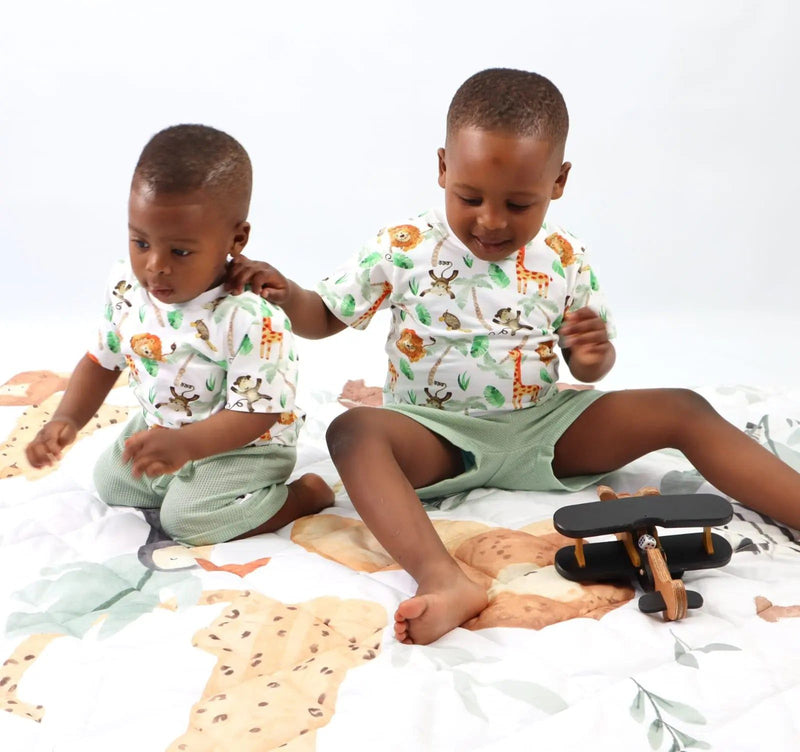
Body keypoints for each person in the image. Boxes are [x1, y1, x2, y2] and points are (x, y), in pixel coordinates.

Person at [227, 69, 800, 644]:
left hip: (543, 425)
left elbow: (589, 369)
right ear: (443, 168)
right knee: (353, 432)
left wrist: (592, 354)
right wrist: (286, 295)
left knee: (684, 406)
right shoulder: (403, 248)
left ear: (558, 181)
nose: (492, 221)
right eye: (469, 197)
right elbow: (324, 317)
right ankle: (443, 579)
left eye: (519, 203)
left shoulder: (564, 255)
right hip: (436, 436)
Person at [25, 124, 333, 545]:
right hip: (164, 424)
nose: (155, 265)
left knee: (188, 523)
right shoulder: (127, 287)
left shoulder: (248, 317)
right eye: (140, 242)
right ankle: (184, 480)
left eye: (180, 251)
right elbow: (102, 360)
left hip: (243, 445)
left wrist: (187, 445)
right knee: (111, 482)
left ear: (236, 239)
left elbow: (257, 413)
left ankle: (300, 496)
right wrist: (67, 418)